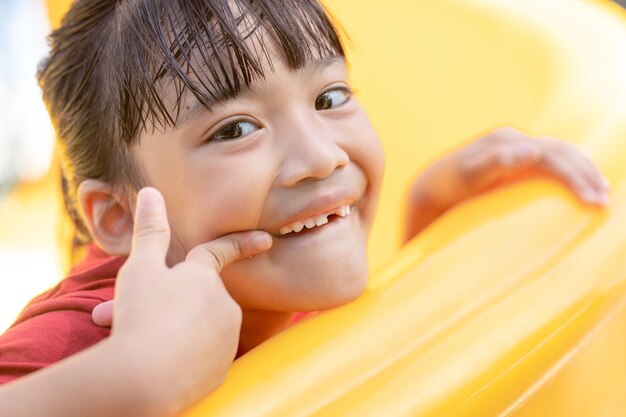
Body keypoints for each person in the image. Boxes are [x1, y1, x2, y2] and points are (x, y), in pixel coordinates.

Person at [0, 0, 610, 416]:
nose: (322, 157)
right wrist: (135, 378)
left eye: (331, 95)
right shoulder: (83, 343)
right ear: (121, 217)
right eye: (235, 130)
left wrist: (428, 235)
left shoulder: (273, 279)